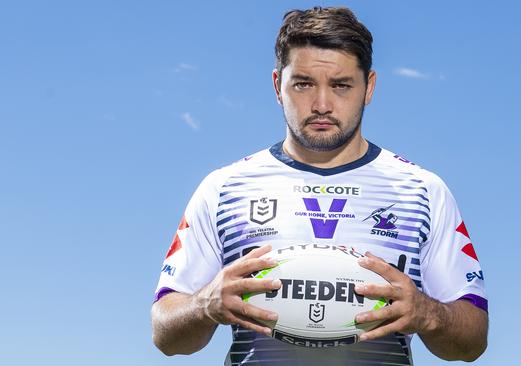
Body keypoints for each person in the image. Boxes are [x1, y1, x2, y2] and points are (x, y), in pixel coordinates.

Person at [151, 6, 488, 365]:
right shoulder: (224, 188)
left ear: (368, 87)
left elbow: (472, 342)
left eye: (341, 85)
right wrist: (206, 303)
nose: (322, 104)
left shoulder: (422, 191)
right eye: (303, 84)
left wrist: (427, 313)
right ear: (277, 85)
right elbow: (165, 333)